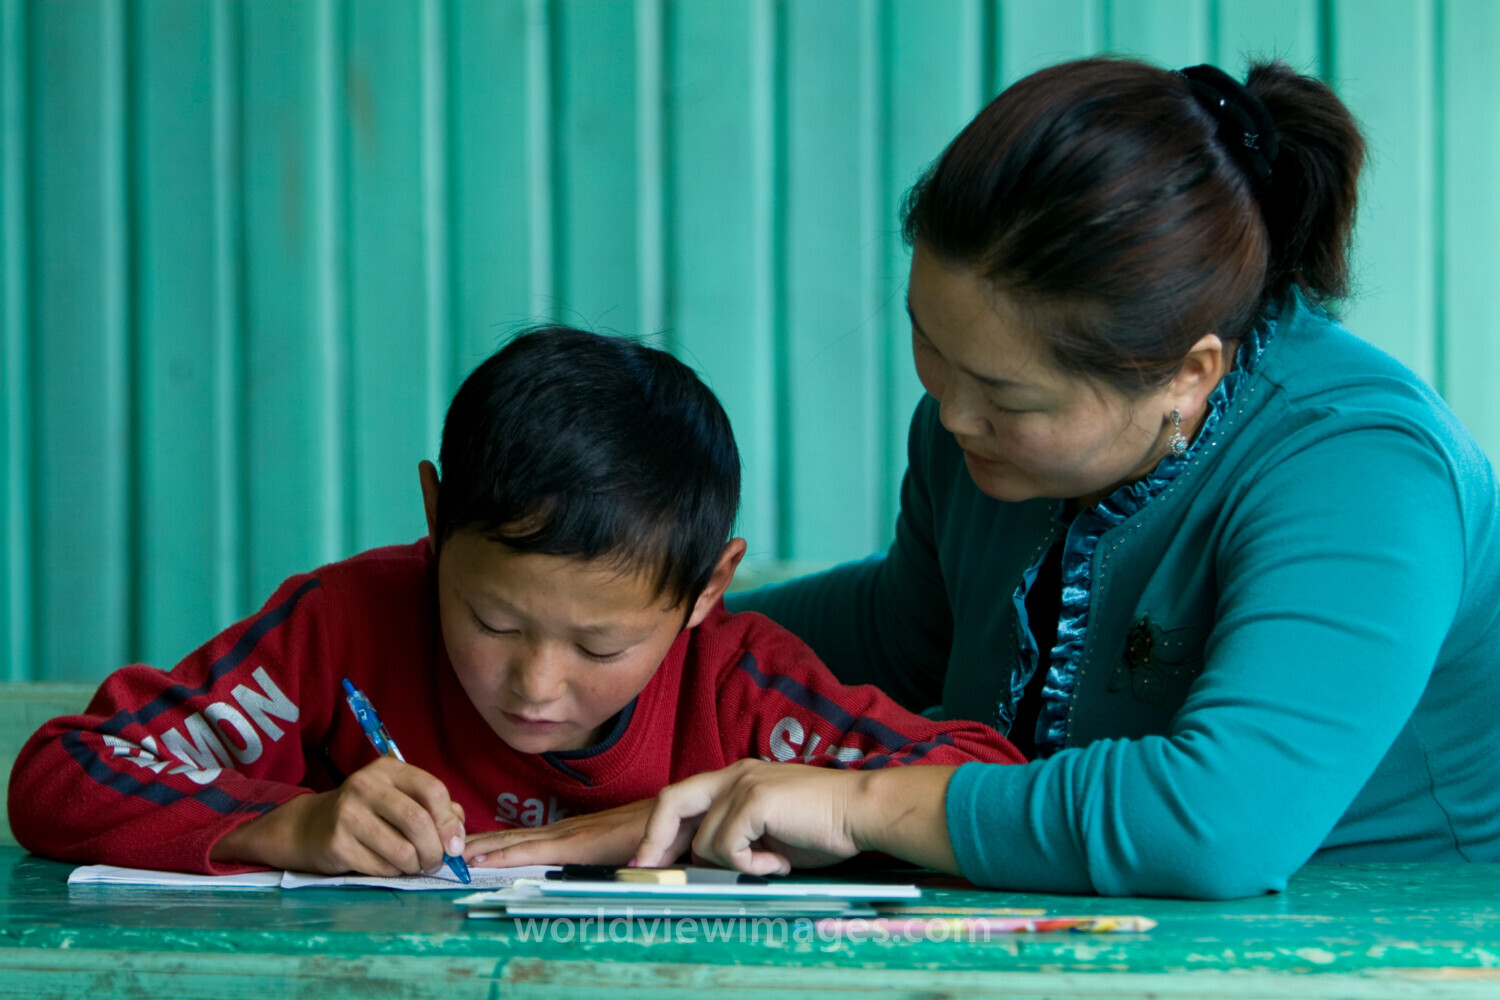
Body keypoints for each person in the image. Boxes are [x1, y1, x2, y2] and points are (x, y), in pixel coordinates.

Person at [628, 58, 1500, 900]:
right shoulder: (974, 443)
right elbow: (906, 633)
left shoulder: (1364, 468)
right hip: (1076, 933)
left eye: (1008, 395)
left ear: (1188, 373)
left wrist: (859, 806)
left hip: (1375, 948)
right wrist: (628, 632)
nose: (953, 415)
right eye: (930, 342)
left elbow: (1217, 824)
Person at [6, 326, 1022, 876]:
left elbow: (991, 784)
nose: (536, 684)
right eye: (492, 622)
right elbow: (67, 771)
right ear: (435, 519)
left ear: (706, 589)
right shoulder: (344, 627)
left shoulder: (738, 687)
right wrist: (292, 825)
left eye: (600, 646)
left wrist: (666, 821)